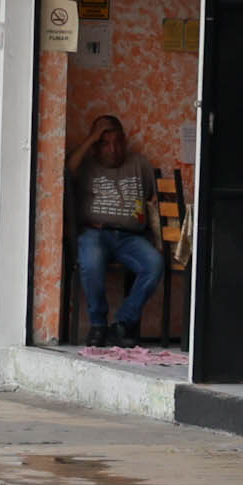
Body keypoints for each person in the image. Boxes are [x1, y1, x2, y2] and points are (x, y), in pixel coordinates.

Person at [70, 116, 164, 346]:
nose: (113, 149)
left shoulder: (139, 164)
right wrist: (92, 138)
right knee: (90, 262)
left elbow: (152, 199)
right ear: (95, 146)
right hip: (96, 233)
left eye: (118, 142)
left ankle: (122, 323)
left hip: (131, 236)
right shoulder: (85, 164)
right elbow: (66, 169)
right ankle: (98, 325)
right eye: (105, 143)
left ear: (125, 140)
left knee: (154, 264)